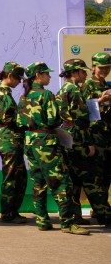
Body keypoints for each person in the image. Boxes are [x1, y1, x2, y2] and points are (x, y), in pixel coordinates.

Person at [18, 62, 88, 235]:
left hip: (30, 142)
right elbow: (53, 120)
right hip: (46, 143)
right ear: (38, 75)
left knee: (38, 183)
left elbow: (20, 122)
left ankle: (42, 220)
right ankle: (68, 223)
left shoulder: (24, 96)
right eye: (46, 74)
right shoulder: (46, 95)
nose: (49, 76)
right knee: (61, 183)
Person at [56, 58, 111, 227]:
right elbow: (82, 118)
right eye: (82, 71)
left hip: (67, 137)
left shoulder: (63, 89)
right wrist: (88, 142)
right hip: (78, 138)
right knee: (91, 180)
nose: (85, 74)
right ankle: (105, 215)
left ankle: (75, 215)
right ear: (74, 73)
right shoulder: (74, 90)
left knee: (73, 180)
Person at [0, 62, 28, 224]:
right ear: (10, 76)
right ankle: (8, 213)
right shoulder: (3, 93)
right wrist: (27, 119)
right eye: (18, 78)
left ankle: (12, 211)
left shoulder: (3, 91)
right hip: (9, 137)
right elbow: (9, 118)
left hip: (11, 137)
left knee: (19, 176)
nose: (19, 82)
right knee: (11, 176)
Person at [82, 52, 111, 198]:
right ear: (93, 67)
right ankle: (98, 206)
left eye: (107, 67)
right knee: (96, 175)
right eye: (101, 68)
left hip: (107, 135)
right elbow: (82, 110)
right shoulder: (88, 85)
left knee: (106, 174)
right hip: (95, 135)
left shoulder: (106, 85)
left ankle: (103, 206)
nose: (104, 70)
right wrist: (100, 101)